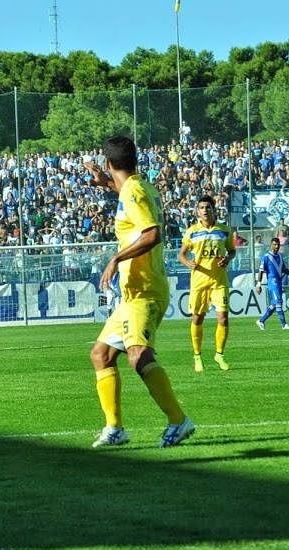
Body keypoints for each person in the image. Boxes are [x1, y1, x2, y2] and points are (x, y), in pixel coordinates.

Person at [83, 136, 194, 449]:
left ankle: (178, 420)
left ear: (108, 162)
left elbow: (152, 234)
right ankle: (115, 428)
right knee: (101, 354)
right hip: (133, 293)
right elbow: (128, 197)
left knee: (139, 356)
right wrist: (107, 183)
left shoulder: (134, 191)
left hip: (145, 290)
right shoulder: (137, 186)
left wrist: (116, 258)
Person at [177, 194, 235, 372]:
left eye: (208, 207)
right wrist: (188, 263)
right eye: (201, 208)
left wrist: (227, 259)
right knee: (197, 318)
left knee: (223, 318)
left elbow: (232, 251)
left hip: (219, 281)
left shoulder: (224, 230)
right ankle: (197, 356)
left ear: (213, 210)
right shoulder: (192, 231)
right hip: (199, 281)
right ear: (197, 211)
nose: (205, 210)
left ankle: (219, 355)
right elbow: (181, 255)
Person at [255, 237, 289, 331]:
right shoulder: (266, 257)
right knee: (278, 302)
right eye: (275, 244)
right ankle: (284, 325)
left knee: (275, 304)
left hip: (279, 282)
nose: (277, 246)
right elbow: (261, 271)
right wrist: (259, 284)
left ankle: (261, 321)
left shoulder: (280, 256)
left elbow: (284, 269)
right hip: (272, 283)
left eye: (278, 245)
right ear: (271, 245)